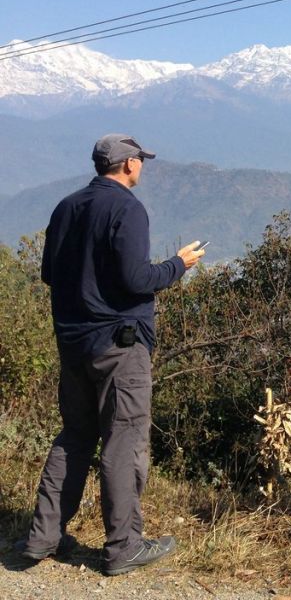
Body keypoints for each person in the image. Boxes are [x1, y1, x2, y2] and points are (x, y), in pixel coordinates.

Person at [17, 134, 205, 576]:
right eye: (140, 159)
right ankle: (123, 547)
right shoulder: (127, 209)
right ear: (128, 165)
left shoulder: (66, 206)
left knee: (75, 437)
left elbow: (49, 273)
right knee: (124, 441)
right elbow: (137, 280)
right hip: (119, 346)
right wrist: (178, 265)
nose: (142, 166)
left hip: (74, 344)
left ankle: (42, 537)